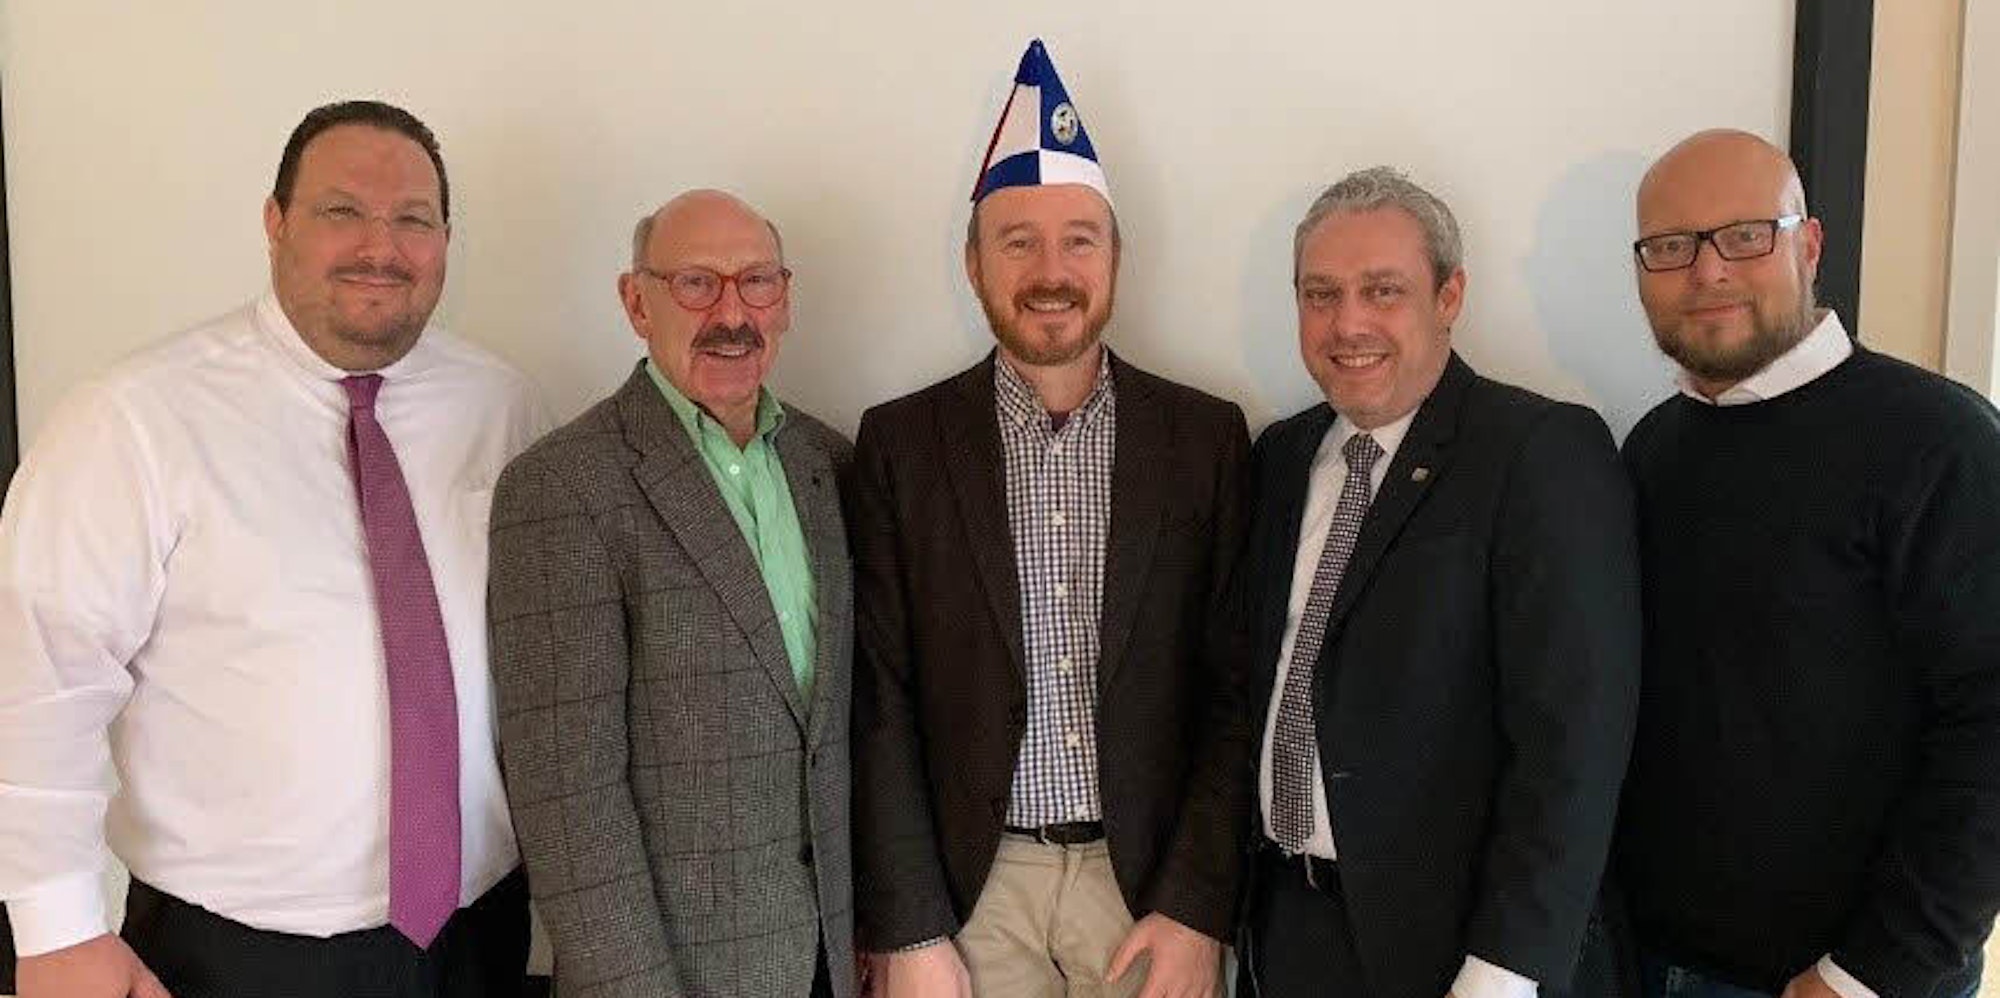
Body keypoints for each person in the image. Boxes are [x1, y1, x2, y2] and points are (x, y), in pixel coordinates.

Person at [0, 99, 547, 998]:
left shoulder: (503, 408)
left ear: (445, 241)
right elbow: (38, 679)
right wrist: (57, 933)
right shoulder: (134, 421)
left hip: (478, 936)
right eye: (343, 211)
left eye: (413, 219)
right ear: (275, 222)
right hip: (234, 956)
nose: (380, 246)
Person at [848, 38, 1252, 998]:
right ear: (973, 263)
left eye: (1079, 238)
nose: (1051, 269)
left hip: (1147, 887)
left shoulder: (1205, 439)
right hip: (971, 894)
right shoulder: (902, 444)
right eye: (1017, 241)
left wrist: (1198, 905)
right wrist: (908, 928)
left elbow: (1238, 688)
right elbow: (878, 699)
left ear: (1116, 258)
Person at [1235, 166, 1640, 998]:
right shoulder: (1280, 456)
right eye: (1320, 294)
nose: (1348, 322)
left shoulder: (1538, 451)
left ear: (1449, 296)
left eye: (1383, 290)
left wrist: (1507, 969)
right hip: (1291, 926)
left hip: (1461, 951)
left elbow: (1576, 739)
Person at [1617, 128, 2000, 998]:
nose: (1707, 271)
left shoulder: (1940, 444)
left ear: (1811, 244)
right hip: (1651, 962)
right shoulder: (1654, 448)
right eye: (1670, 247)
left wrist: (1868, 973)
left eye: (1745, 235)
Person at [488, 189, 856, 998]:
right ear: (636, 302)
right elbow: (566, 799)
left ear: (785, 299)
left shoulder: (830, 464)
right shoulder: (563, 488)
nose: (732, 313)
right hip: (674, 975)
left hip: (829, 960)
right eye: (695, 283)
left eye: (756, 281)